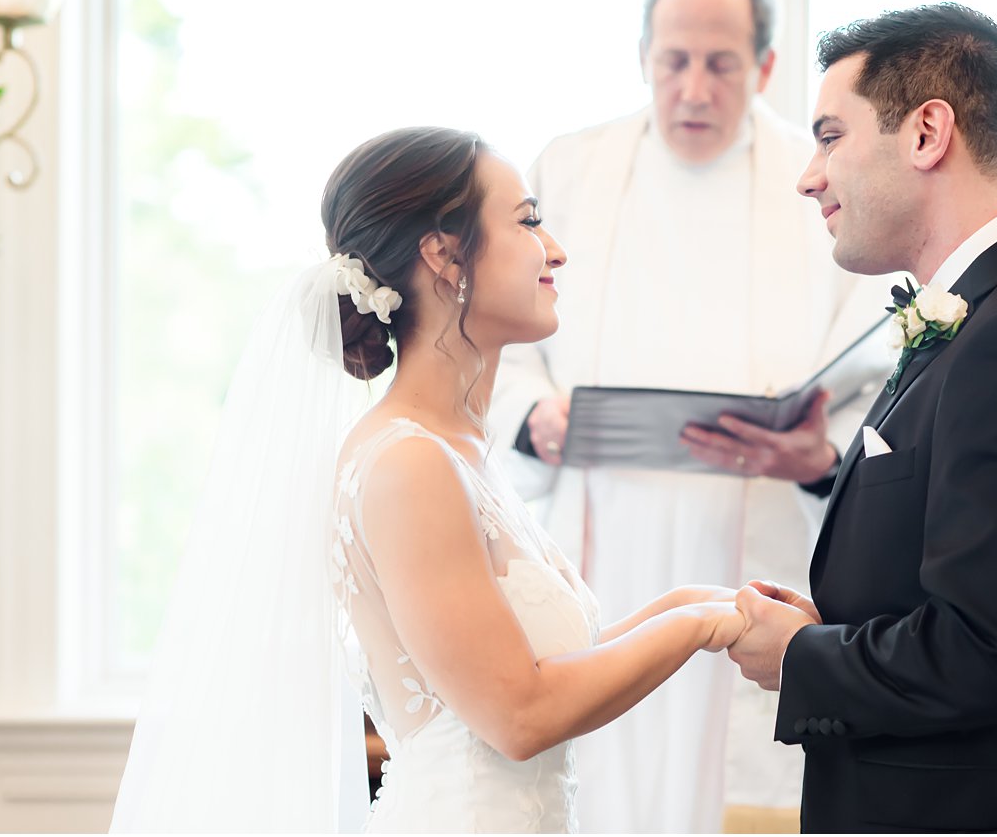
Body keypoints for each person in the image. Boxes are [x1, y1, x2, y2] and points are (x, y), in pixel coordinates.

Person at [110, 127, 747, 833]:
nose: (557, 249)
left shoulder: (464, 450)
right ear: (444, 256)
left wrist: (694, 600)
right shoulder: (408, 463)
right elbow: (518, 713)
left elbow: (546, 666)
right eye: (530, 221)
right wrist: (700, 626)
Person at [726, 4, 997, 833]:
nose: (808, 174)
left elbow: (989, 653)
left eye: (829, 136)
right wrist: (834, 622)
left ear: (928, 132)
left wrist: (799, 655)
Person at [490, 0, 887, 832]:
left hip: (758, 547)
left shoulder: (820, 179)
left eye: (722, 62)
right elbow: (492, 337)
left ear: (767, 68)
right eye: (675, 60)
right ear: (642, 57)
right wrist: (534, 417)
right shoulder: (569, 166)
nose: (695, 87)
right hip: (598, 539)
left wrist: (818, 453)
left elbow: (874, 367)